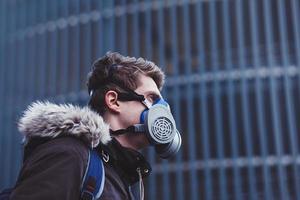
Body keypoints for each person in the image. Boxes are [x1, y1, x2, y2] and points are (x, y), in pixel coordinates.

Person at [10, 52, 181, 200]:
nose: (163, 111)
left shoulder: (119, 176)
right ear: (114, 101)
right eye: (152, 98)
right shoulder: (70, 155)